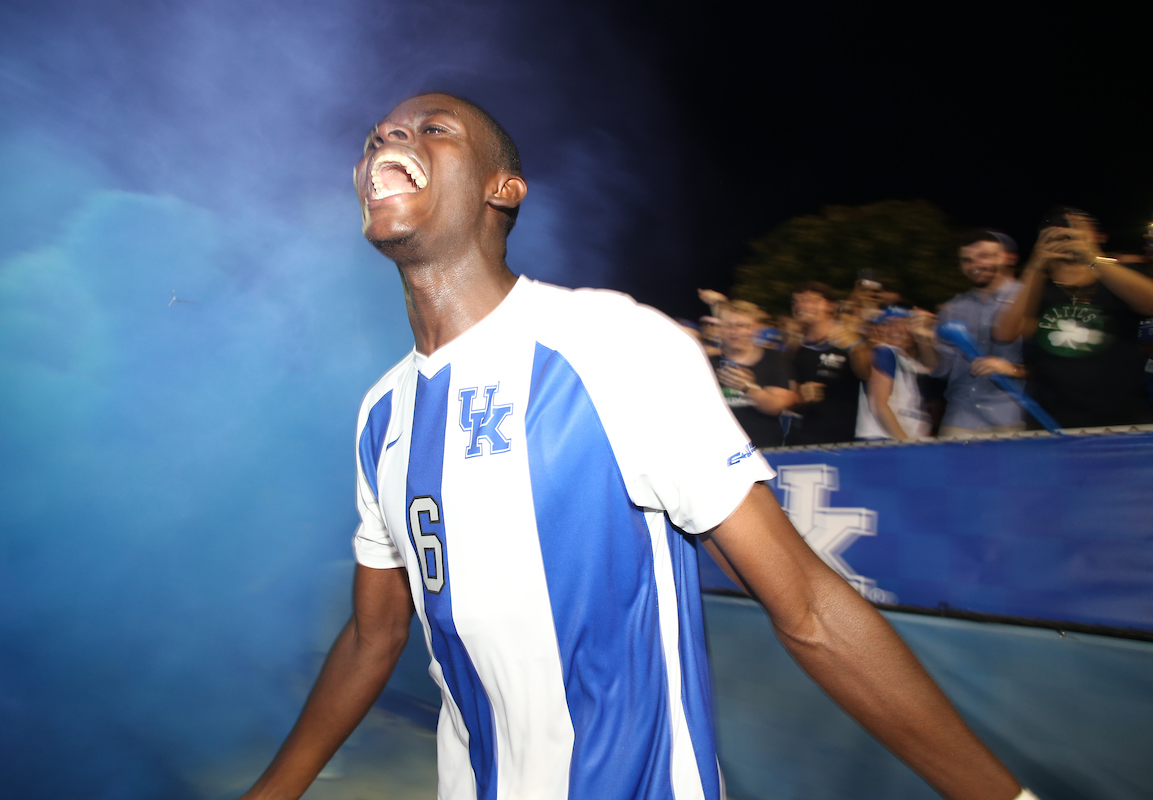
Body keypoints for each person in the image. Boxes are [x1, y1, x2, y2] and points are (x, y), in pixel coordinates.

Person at [238, 92, 1034, 800]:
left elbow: (810, 606)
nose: (387, 142)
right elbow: (374, 636)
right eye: (377, 135)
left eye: (429, 128)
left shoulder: (609, 343)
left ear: (502, 189)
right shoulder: (382, 414)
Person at [994, 209, 1153, 428]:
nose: (1067, 240)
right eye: (1057, 236)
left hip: (1123, 417)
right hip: (1052, 419)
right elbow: (1006, 332)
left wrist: (1092, 258)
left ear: (1098, 236)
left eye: (1076, 232)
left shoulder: (1122, 274)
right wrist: (1036, 265)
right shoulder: (1038, 287)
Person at [925, 231, 1027, 437]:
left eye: (985, 256)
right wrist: (923, 341)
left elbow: (1050, 364)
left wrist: (1013, 369)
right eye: (967, 260)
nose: (975, 265)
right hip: (961, 419)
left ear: (1005, 257)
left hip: (1014, 418)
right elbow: (942, 369)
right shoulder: (952, 309)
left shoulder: (1028, 300)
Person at [784, 281, 870, 446]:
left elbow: (867, 375)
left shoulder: (851, 339)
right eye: (796, 301)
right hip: (803, 440)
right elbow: (789, 398)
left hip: (845, 440)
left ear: (831, 306)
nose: (801, 305)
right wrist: (802, 397)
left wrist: (856, 349)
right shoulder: (795, 347)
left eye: (809, 300)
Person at [710, 299, 797, 448]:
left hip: (763, 449)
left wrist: (748, 388)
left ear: (755, 328)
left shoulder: (772, 358)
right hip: (720, 449)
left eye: (741, 325)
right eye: (728, 326)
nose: (734, 332)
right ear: (720, 328)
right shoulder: (708, 361)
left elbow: (778, 407)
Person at [857, 305, 935, 441]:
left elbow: (935, 368)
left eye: (901, 323)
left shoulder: (908, 361)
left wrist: (923, 337)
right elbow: (879, 404)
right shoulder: (884, 351)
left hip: (904, 442)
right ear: (878, 330)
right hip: (886, 441)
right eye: (886, 324)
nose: (894, 328)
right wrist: (905, 443)